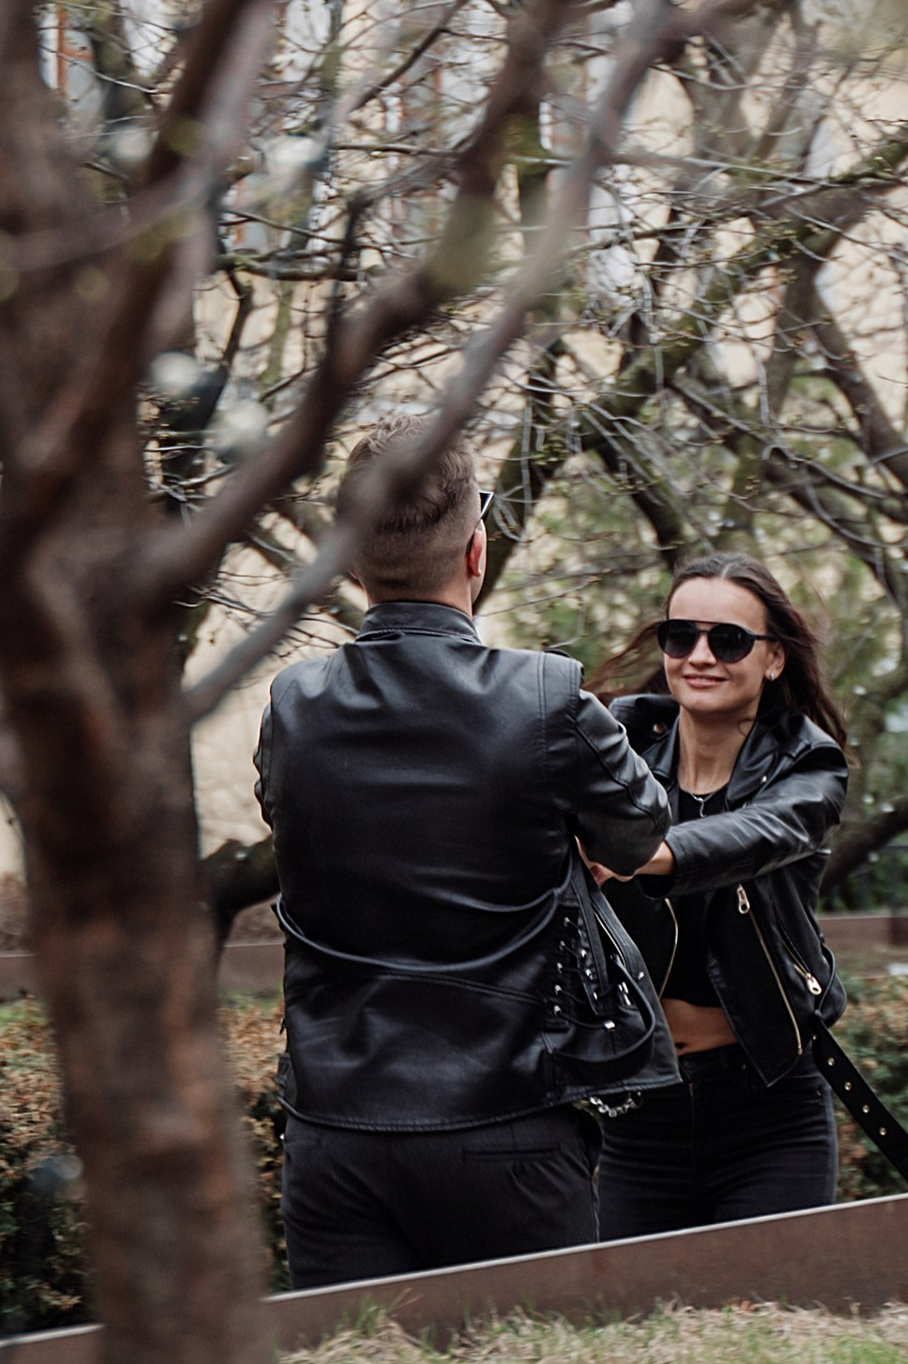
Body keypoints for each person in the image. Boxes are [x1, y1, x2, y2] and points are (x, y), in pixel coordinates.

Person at [256, 420, 676, 1288]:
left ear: (348, 560)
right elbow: (640, 829)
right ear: (477, 549)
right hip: (509, 1124)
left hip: (335, 1133)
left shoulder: (294, 703)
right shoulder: (545, 696)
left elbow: (287, 818)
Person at [590, 553, 852, 1236]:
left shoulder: (807, 762)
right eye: (681, 636)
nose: (700, 656)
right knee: (627, 1328)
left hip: (768, 1106)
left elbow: (762, 833)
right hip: (640, 1107)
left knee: (765, 1323)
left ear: (773, 660)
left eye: (728, 640)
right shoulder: (614, 749)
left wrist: (650, 853)